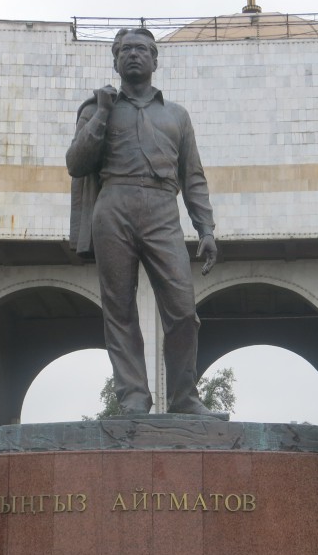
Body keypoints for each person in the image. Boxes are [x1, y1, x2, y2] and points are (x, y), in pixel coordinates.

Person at [66, 27, 218, 416]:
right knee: (119, 308)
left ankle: (184, 398)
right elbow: (76, 163)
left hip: (162, 207)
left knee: (183, 309)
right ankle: (133, 396)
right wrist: (101, 112)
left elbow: (193, 176)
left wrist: (206, 229)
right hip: (113, 204)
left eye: (142, 50)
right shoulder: (96, 106)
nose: (134, 55)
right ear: (115, 60)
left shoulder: (176, 115)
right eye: (125, 50)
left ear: (155, 60)